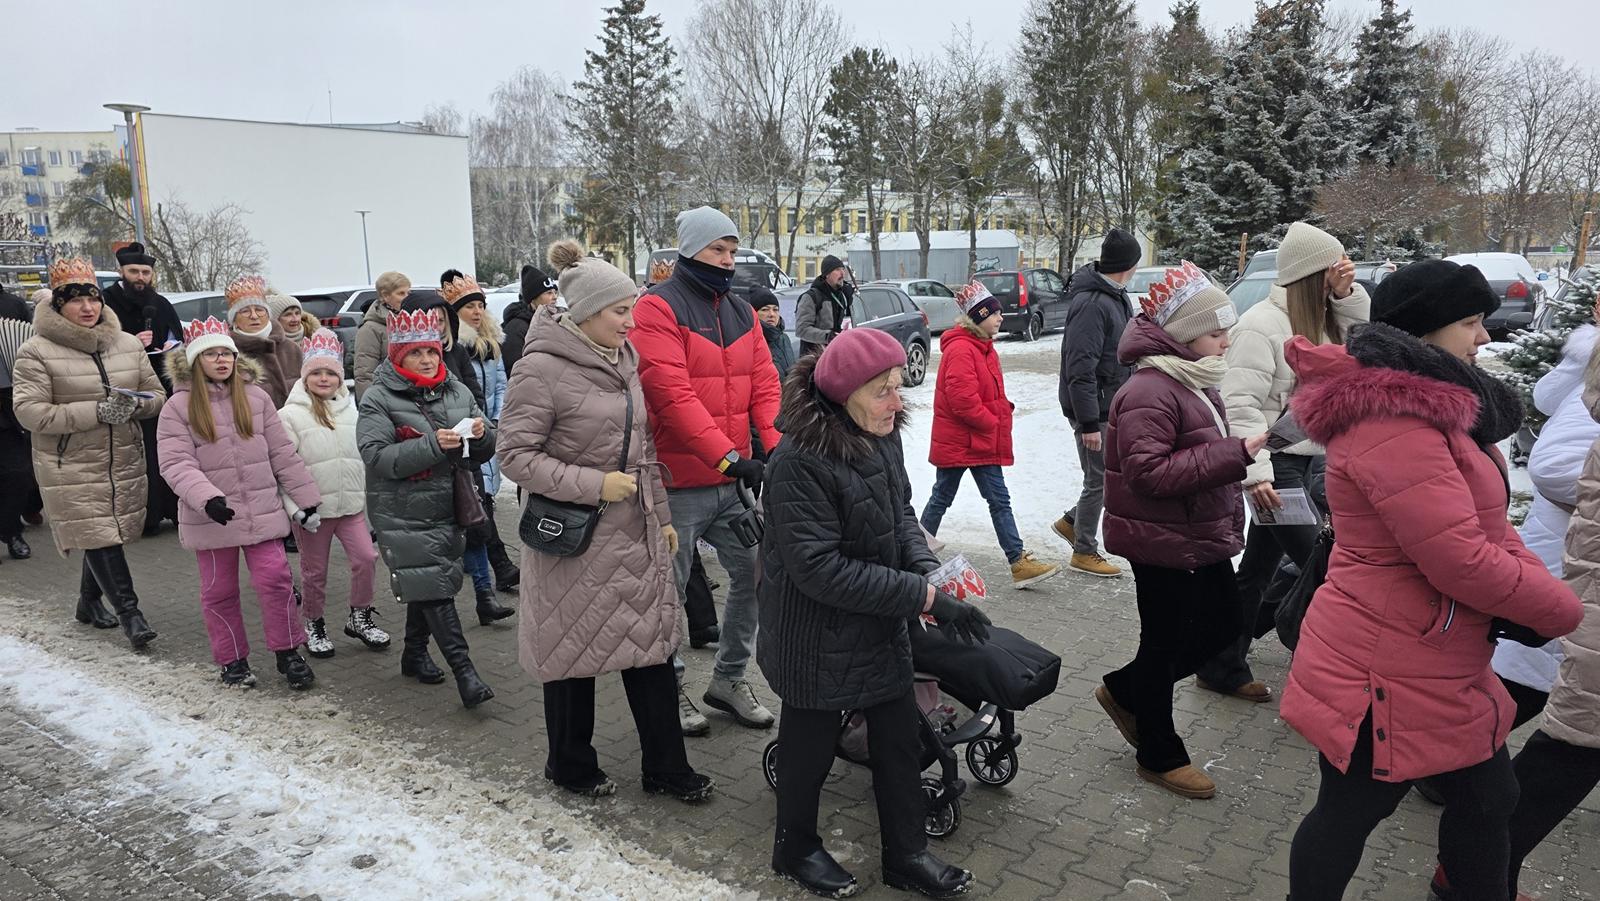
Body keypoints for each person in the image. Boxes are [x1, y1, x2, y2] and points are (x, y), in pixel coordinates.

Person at [1280, 260, 1583, 901]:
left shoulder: (1442, 407)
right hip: (1382, 666)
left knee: (1491, 798)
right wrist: (1561, 612)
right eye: (1470, 322)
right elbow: (1457, 556)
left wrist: (1537, 595)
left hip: (1435, 654)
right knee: (1351, 813)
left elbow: (1489, 526)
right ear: (1423, 331)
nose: (1484, 337)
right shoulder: (1391, 419)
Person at [760, 326, 984, 899]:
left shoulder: (881, 435)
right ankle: (794, 848)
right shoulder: (798, 461)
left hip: (878, 619)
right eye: (883, 390)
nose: (896, 400)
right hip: (812, 634)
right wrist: (923, 597)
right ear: (844, 393)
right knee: (810, 748)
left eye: (899, 385)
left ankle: (906, 855)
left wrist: (927, 571)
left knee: (897, 741)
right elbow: (819, 569)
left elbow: (900, 512)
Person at [498, 240, 714, 802]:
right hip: (575, 538)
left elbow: (643, 449)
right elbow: (514, 456)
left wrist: (661, 515)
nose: (630, 321)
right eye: (621, 311)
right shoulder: (539, 368)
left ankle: (667, 768)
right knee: (572, 653)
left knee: (651, 649)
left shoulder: (624, 360)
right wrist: (595, 485)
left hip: (633, 532)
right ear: (589, 310)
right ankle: (569, 765)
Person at [1094, 262, 1259, 800]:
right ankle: (1158, 753)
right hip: (1160, 539)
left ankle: (1127, 689)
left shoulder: (1189, 377)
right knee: (1165, 642)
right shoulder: (1150, 388)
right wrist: (1236, 453)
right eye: (1216, 333)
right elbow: (1148, 473)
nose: (1225, 342)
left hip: (1196, 532)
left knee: (1223, 624)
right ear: (1184, 334)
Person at [1196, 222, 1370, 704]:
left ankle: (1219, 663)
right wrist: (1256, 477)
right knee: (1323, 561)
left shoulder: (1324, 318)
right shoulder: (1261, 326)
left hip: (1311, 463)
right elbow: (1239, 406)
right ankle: (1325, 671)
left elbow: (1361, 349)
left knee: (1258, 571)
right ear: (1311, 273)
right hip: (1276, 468)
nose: (1342, 273)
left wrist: (1347, 295)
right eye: (1333, 268)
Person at [633, 206, 783, 736]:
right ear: (690, 250)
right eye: (718, 249)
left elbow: (765, 384)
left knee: (757, 574)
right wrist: (727, 456)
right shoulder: (656, 307)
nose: (727, 260)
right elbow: (671, 394)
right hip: (678, 483)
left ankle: (729, 679)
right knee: (667, 592)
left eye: (732, 250)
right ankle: (668, 685)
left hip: (732, 481)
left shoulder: (741, 310)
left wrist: (777, 448)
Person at [157, 317, 322, 688]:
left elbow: (282, 453)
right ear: (195, 361)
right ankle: (232, 659)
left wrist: (306, 498)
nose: (221, 360)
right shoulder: (178, 407)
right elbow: (175, 462)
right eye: (211, 354)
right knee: (219, 592)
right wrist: (206, 498)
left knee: (276, 581)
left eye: (226, 353)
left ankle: (288, 652)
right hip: (212, 518)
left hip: (261, 512)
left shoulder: (256, 397)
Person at [12, 258, 165, 645]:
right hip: (69, 461)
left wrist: (135, 405)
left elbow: (157, 395)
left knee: (102, 533)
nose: (87, 307)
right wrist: (97, 411)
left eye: (93, 299)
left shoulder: (127, 344)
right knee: (100, 535)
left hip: (123, 456)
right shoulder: (36, 351)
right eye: (75, 300)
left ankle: (87, 602)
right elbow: (29, 412)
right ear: (58, 304)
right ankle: (131, 615)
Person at [1495, 342, 1600, 901]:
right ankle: (1476, 866)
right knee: (1574, 741)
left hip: (1571, 583)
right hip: (1574, 587)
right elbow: (1554, 469)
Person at [357, 307, 497, 708]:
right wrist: (433, 444)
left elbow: (485, 443)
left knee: (426, 580)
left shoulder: (456, 390)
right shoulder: (378, 398)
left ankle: (413, 654)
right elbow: (377, 456)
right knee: (434, 587)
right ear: (398, 357)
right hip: (402, 509)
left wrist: (483, 435)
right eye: (416, 353)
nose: (427, 360)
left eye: (431, 352)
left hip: (450, 503)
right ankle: (465, 673)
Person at [921, 281, 1062, 588]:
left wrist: (1000, 411)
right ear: (979, 316)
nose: (1000, 318)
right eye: (994, 313)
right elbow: (962, 400)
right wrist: (992, 421)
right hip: (966, 440)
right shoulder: (962, 349)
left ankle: (1017, 561)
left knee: (986, 499)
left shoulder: (982, 346)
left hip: (976, 440)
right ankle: (915, 553)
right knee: (951, 498)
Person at [277, 329, 389, 658]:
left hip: (350, 507)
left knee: (366, 559)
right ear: (305, 377)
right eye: (316, 373)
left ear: (340, 377)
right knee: (315, 572)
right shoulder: (289, 416)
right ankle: (313, 621)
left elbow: (361, 456)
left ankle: (360, 616)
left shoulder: (351, 412)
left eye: (331, 373)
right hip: (313, 511)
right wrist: (297, 509)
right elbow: (283, 469)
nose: (324, 379)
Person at [1055, 228, 1142, 579]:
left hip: (1109, 405)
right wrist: (1088, 423)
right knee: (1100, 480)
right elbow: (1080, 367)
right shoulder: (1093, 304)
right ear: (1129, 264)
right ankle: (1084, 550)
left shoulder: (1115, 296)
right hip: (1094, 410)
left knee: (1106, 476)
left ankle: (1072, 522)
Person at [439, 272, 518, 619]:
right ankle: (498, 570)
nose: (476, 312)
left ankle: (486, 574)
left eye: (480, 306)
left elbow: (500, 385)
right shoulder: (454, 348)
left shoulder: (491, 342)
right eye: (469, 306)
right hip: (462, 437)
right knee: (479, 509)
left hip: (486, 432)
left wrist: (495, 420)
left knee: (483, 505)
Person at [99, 241, 183, 535]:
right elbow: (96, 340)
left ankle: (173, 509)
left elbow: (176, 335)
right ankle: (146, 516)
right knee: (136, 455)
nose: (140, 277)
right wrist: (131, 342)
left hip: (160, 386)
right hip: (123, 387)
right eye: (134, 271)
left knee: (166, 449)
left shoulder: (159, 303)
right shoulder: (105, 303)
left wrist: (171, 345)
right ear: (121, 271)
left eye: (145, 272)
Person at [224, 276, 303, 408]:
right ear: (234, 320)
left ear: (268, 314)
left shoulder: (291, 349)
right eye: (245, 311)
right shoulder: (230, 353)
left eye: (259, 310)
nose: (254, 316)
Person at [0, 297, 36, 560]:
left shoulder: (11, 303)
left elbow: (28, 340)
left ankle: (10, 529)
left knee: (19, 474)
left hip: (7, 412)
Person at [354, 270, 412, 399]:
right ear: (385, 296)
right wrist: (370, 403)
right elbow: (365, 374)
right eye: (401, 293)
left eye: (408, 293)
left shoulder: (410, 322)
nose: (407, 297)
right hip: (386, 398)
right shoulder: (370, 329)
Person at [501, 264, 559, 373]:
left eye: (555, 292)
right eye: (549, 293)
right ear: (533, 298)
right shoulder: (516, 328)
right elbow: (514, 370)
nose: (555, 297)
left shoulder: (557, 321)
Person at [793, 254, 853, 356]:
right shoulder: (811, 297)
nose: (842, 273)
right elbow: (802, 330)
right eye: (837, 270)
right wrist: (828, 336)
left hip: (835, 353)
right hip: (814, 357)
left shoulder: (842, 296)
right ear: (827, 274)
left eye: (843, 269)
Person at [751, 285, 796, 382]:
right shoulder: (751, 340)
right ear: (754, 313)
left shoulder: (784, 338)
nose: (771, 314)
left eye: (775, 310)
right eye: (765, 310)